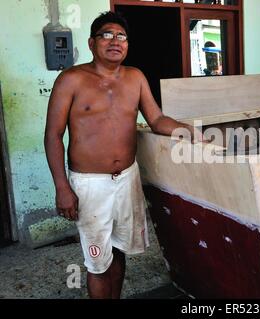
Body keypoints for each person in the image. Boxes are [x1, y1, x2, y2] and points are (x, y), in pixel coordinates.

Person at [44, 11, 197, 299]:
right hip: (90, 184)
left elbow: (156, 119)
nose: (115, 41)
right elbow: (53, 136)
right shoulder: (71, 79)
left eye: (122, 36)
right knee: (97, 263)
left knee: (120, 250)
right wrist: (62, 187)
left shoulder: (135, 77)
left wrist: (186, 131)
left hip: (127, 178)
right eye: (107, 35)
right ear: (91, 43)